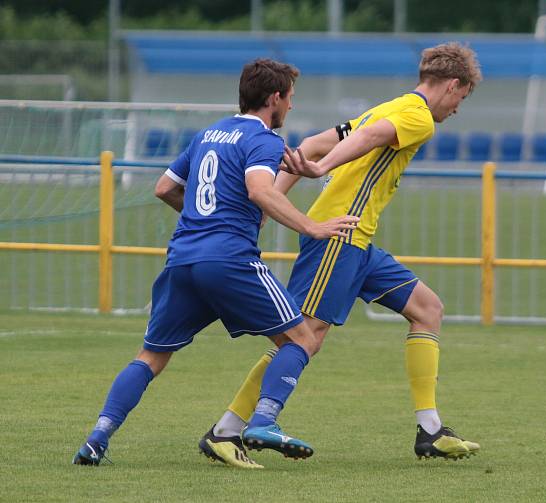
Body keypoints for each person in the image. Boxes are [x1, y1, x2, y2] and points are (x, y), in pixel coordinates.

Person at [202, 42, 483, 465]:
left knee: (427, 309)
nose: (459, 107)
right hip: (337, 236)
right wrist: (321, 169)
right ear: (454, 85)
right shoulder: (417, 116)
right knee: (303, 337)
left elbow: (312, 142)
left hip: (359, 243)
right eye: (463, 97)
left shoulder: (391, 106)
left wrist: (271, 200)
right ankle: (228, 429)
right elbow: (359, 141)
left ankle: (430, 429)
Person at [72, 58, 359, 469]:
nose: (291, 107)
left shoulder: (208, 133)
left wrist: (203, 220)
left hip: (183, 259)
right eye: (290, 99)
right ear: (274, 98)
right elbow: (260, 190)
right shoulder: (263, 140)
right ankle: (264, 421)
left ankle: (97, 437)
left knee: (150, 358)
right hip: (229, 260)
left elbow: (164, 187)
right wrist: (313, 227)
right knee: (302, 340)